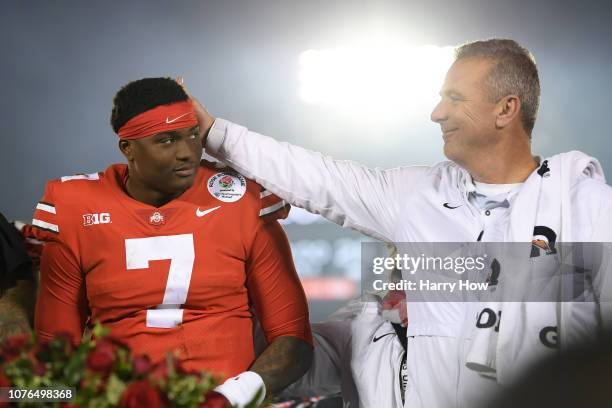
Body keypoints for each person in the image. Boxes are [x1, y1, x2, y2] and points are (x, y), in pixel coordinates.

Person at [189, 39, 612, 407]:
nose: (436, 112)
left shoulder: (588, 208)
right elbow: (320, 179)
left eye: (455, 98)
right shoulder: (416, 197)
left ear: (506, 109)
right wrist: (216, 134)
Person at [32, 78, 313, 407]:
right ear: (128, 148)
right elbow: (56, 350)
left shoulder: (239, 198)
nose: (186, 153)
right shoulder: (76, 207)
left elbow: (294, 340)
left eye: (193, 135)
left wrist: (231, 398)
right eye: (165, 140)